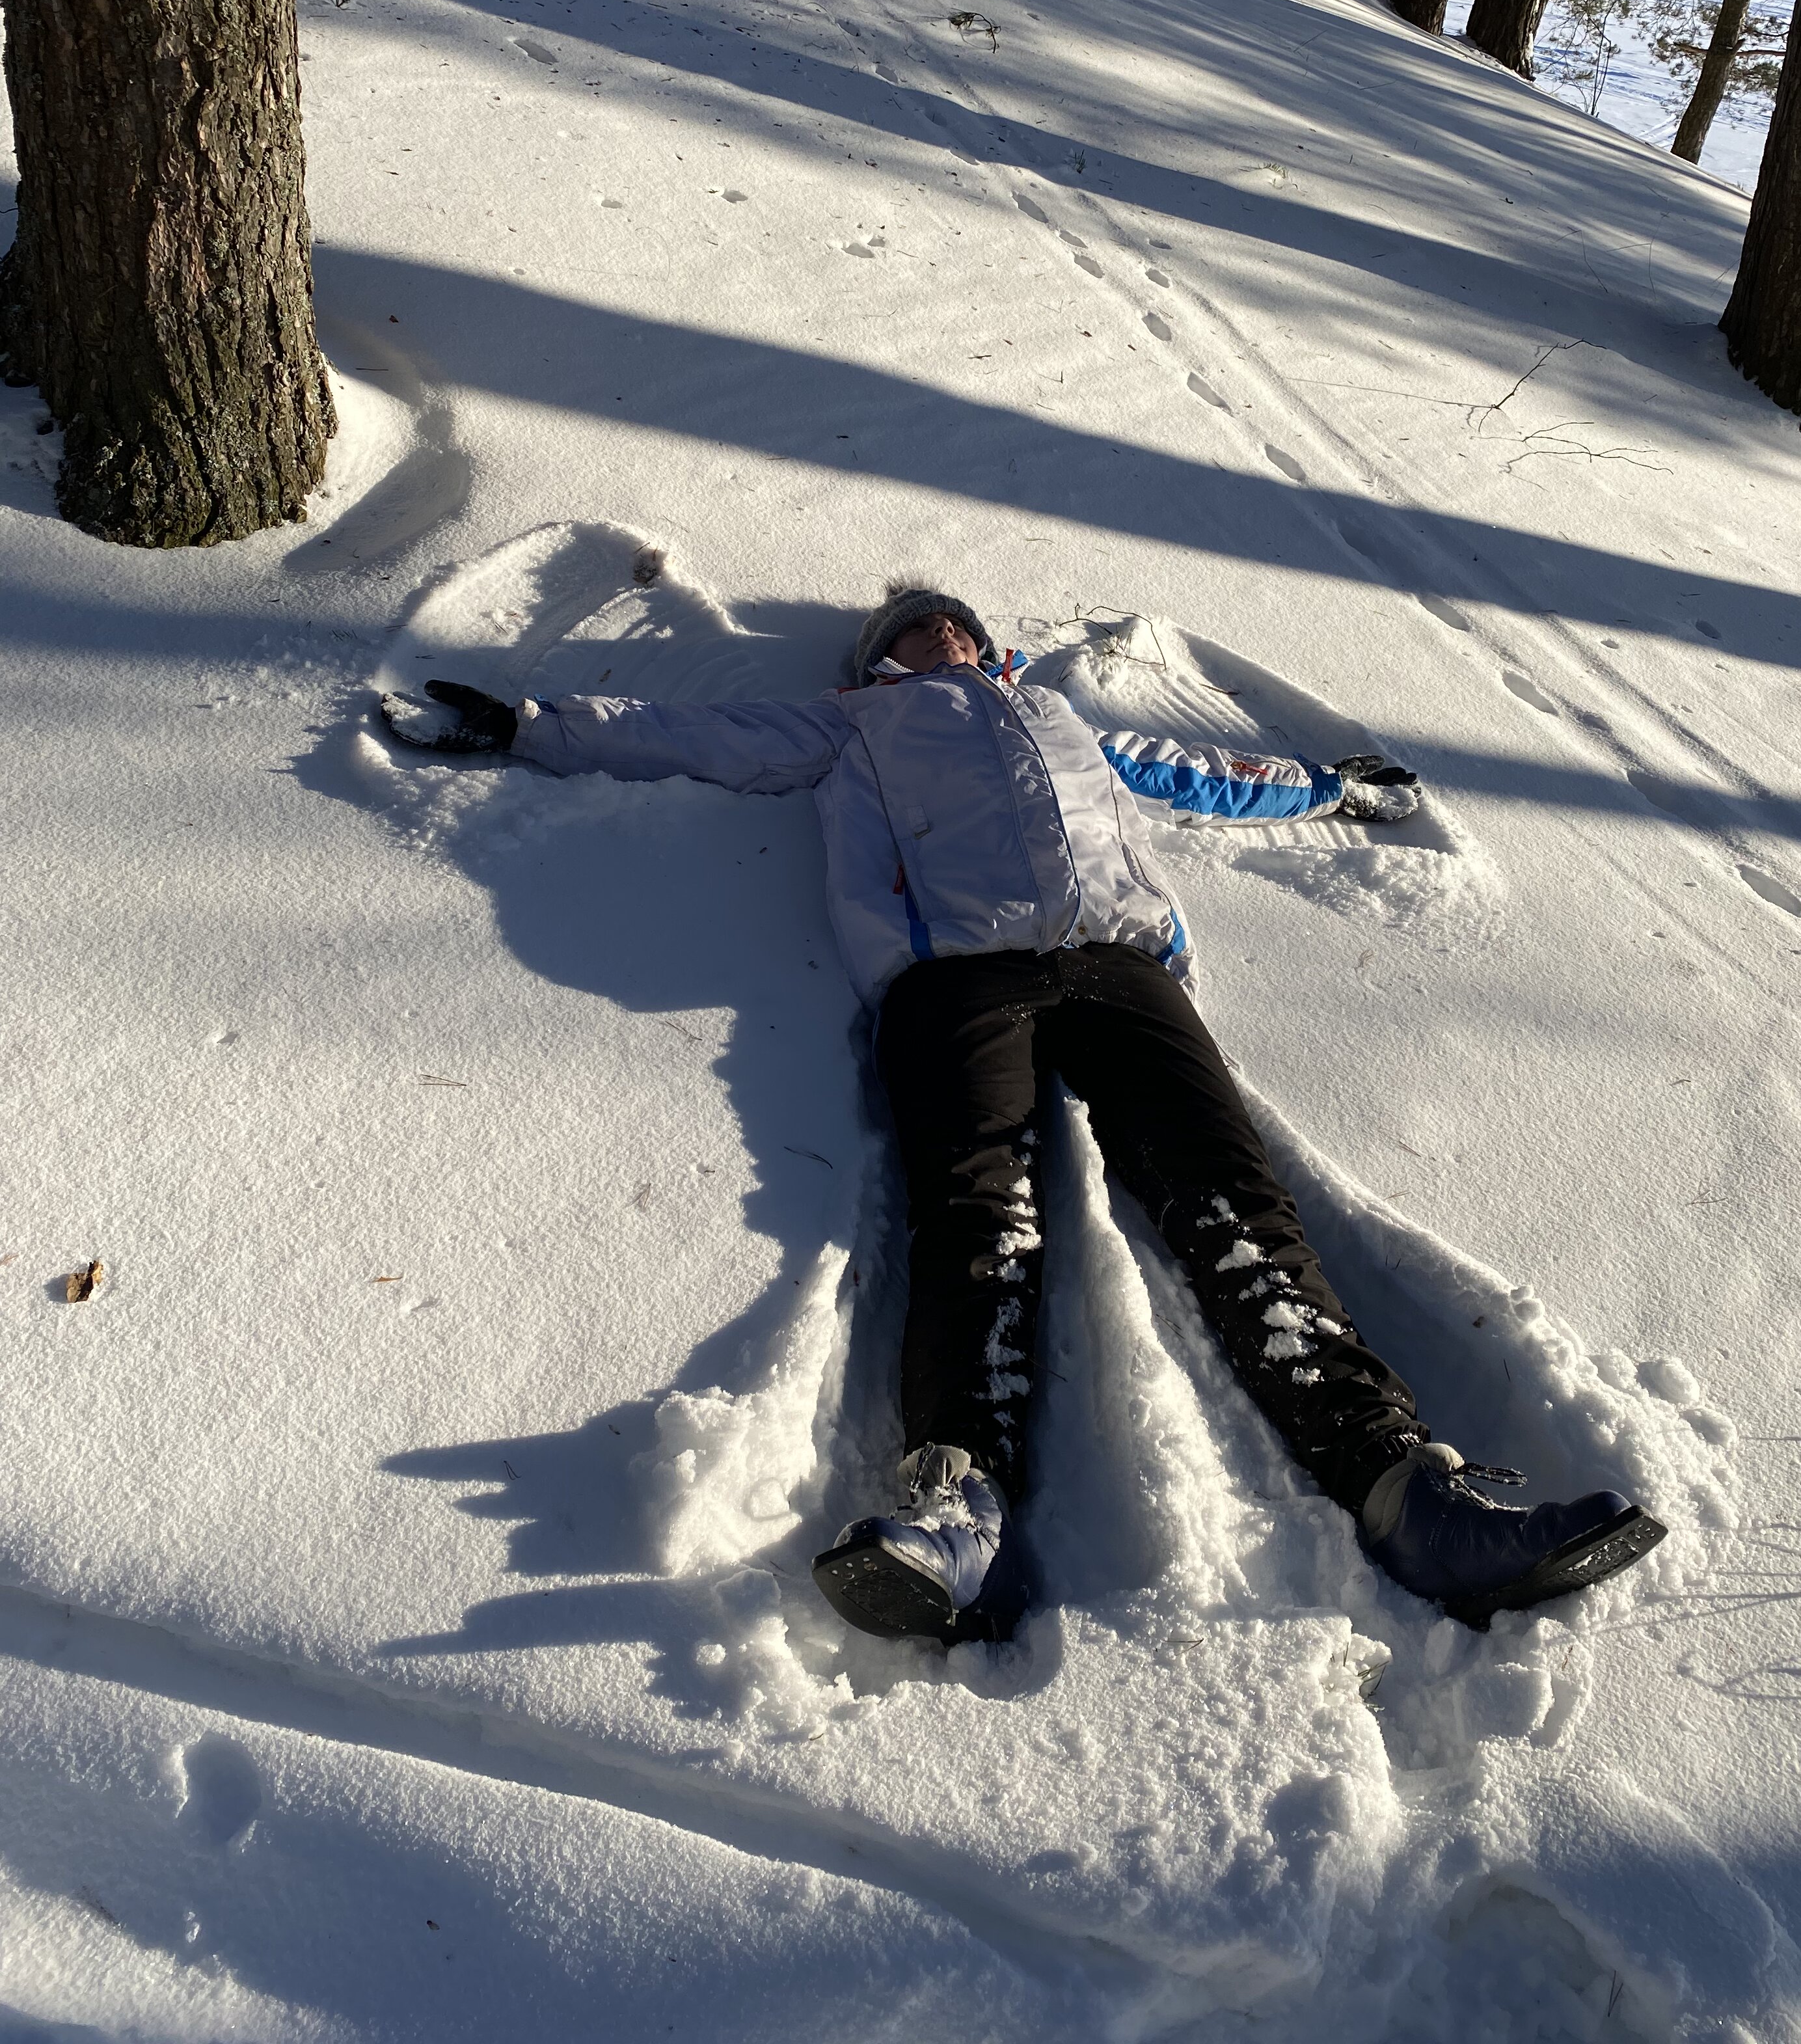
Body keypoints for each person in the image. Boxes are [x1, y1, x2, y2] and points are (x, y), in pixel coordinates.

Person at [383, 583, 1665, 1644]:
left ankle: (1411, 1494)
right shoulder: (851, 726)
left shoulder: (1059, 718)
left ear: (988, 647)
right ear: (877, 666)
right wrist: (532, 726)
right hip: (956, 981)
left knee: (1233, 1205)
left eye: (950, 625)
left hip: (1121, 968)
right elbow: (696, 735)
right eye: (907, 634)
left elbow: (1199, 773)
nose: (933, 636)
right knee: (977, 1215)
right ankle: (959, 1513)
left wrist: (1325, 788)